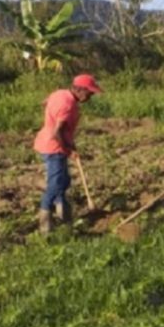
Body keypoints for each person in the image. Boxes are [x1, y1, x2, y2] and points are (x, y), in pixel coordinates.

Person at [32, 74, 103, 234]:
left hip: (52, 143)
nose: (91, 96)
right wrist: (69, 149)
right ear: (79, 90)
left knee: (64, 181)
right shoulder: (67, 104)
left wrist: (69, 142)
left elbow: (45, 102)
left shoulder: (59, 94)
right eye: (89, 93)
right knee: (56, 185)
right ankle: (45, 222)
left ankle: (63, 214)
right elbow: (57, 132)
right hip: (53, 147)